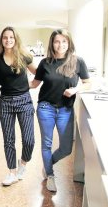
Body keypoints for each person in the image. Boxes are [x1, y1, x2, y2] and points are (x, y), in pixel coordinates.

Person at [30, 29, 90, 192]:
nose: (60, 44)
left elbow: (87, 82)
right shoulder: (45, 63)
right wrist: (14, 82)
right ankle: (50, 175)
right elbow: (35, 83)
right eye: (57, 41)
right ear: (52, 43)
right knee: (47, 144)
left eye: (64, 41)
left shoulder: (78, 61)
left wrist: (75, 90)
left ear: (69, 43)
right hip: (45, 107)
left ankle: (48, 164)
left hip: (66, 109)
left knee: (66, 148)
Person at [0, 26, 37, 186]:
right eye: (5, 37)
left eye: (11, 37)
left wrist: (33, 84)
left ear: (15, 39)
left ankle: (23, 163)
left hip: (24, 101)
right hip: (6, 102)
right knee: (9, 140)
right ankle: (11, 172)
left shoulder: (24, 56)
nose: (8, 40)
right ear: (1, 40)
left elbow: (39, 72)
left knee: (29, 140)